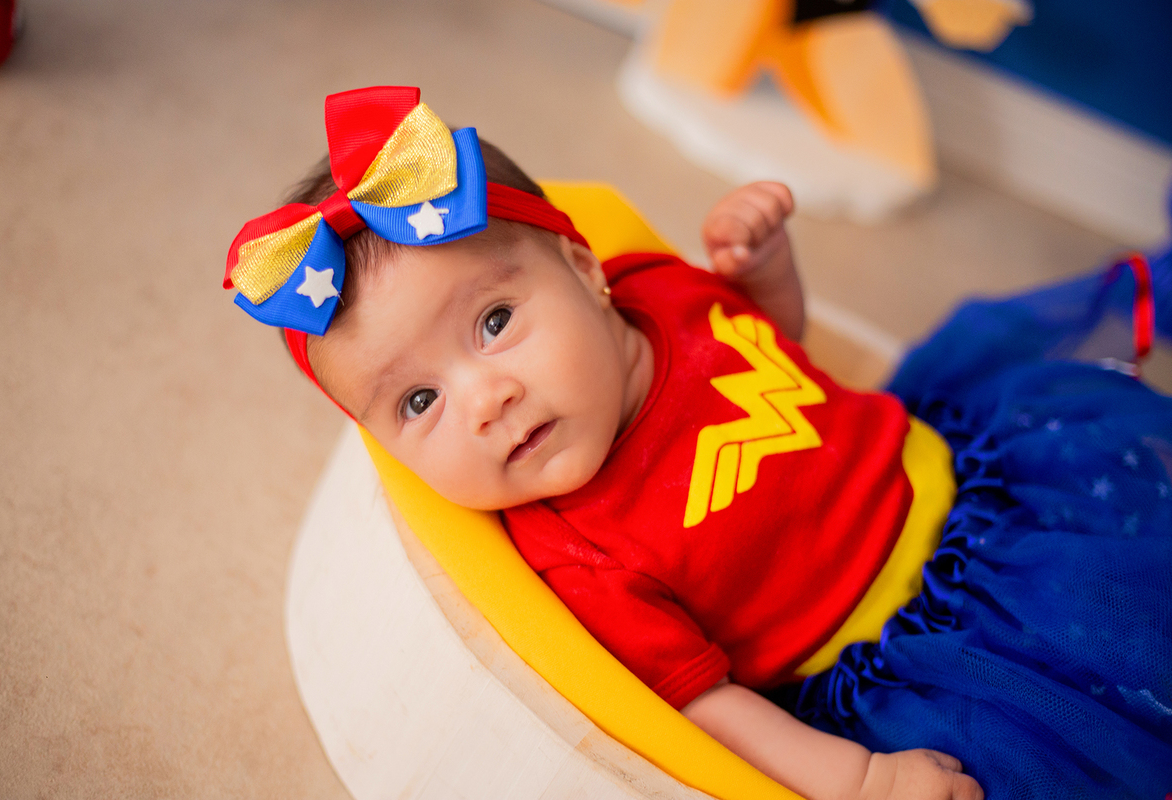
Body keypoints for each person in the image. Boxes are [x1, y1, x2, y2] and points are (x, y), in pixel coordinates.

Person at [224, 87, 1172, 800]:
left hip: (974, 490)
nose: (485, 400)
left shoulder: (658, 291)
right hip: (912, 650)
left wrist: (765, 275)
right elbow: (700, 701)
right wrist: (857, 781)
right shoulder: (576, 549)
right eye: (419, 401)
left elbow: (781, 357)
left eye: (495, 321)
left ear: (587, 270)